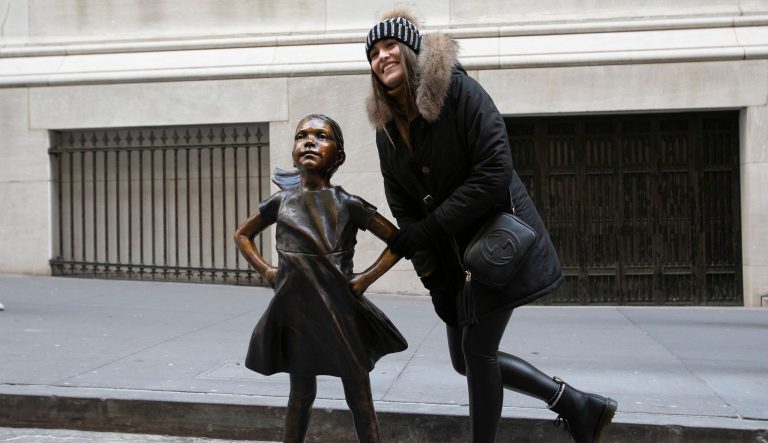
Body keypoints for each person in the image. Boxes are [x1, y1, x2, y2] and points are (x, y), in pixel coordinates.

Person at [363, 8, 617, 443]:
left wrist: (428, 231)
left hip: (496, 242)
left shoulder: (458, 91)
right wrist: (430, 273)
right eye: (373, 52)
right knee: (465, 359)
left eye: (389, 46)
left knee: (477, 353)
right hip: (451, 260)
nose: (381, 56)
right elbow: (403, 206)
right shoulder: (388, 129)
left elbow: (494, 170)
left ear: (409, 49)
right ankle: (576, 403)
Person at [233, 114, 407, 443]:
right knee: (299, 396)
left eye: (321, 136)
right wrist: (268, 271)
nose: (310, 141)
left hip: (342, 314)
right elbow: (242, 234)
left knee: (359, 398)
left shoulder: (349, 204)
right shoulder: (281, 202)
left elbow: (398, 242)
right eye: (302, 136)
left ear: (338, 156)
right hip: (298, 316)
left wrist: (364, 280)